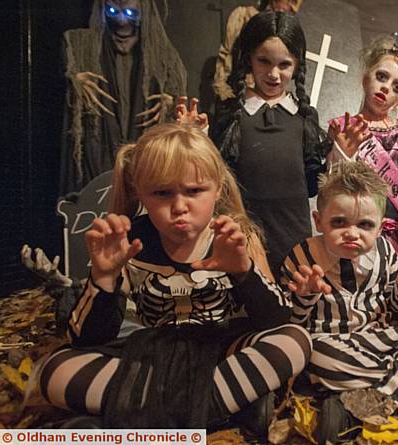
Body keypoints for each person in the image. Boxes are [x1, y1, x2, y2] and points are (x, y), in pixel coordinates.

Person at [38, 124, 312, 435]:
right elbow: (84, 339)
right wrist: (103, 278)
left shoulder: (234, 235)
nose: (180, 207)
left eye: (194, 191)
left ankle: (135, 414)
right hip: (154, 356)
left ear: (218, 188)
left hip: (223, 348)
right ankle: (219, 411)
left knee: (294, 342)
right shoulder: (130, 243)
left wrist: (243, 271)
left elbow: (276, 318)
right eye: (162, 193)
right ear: (140, 192)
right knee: (55, 371)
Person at [281, 161, 398, 444]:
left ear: (381, 228)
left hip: (378, 339)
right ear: (319, 222)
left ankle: (371, 404)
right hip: (332, 344)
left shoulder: (386, 252)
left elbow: (396, 310)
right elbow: (290, 325)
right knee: (318, 355)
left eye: (365, 225)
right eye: (339, 222)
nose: (352, 233)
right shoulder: (302, 256)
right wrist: (304, 296)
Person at [212, 11, 329, 277]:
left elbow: (312, 186)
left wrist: (335, 155)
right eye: (264, 61)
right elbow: (218, 180)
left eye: (284, 65)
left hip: (293, 238)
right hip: (243, 234)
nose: (273, 74)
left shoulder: (304, 116)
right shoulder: (232, 114)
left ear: (297, 65)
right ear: (249, 59)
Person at [327, 35, 398, 263]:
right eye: (381, 76)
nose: (386, 88)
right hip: (358, 232)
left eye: (397, 87)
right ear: (366, 76)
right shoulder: (344, 127)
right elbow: (332, 185)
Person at [60, 0, 187, 194]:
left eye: (130, 13)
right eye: (112, 11)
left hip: (143, 163)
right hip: (97, 164)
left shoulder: (164, 57)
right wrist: (74, 81)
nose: (121, 21)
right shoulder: (80, 46)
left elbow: (178, 98)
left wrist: (170, 102)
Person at [212, 0, 303, 103]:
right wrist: (223, 91)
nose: (287, 6)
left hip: (264, 101)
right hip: (235, 93)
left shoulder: (288, 33)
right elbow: (226, 55)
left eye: (293, 4)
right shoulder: (244, 15)